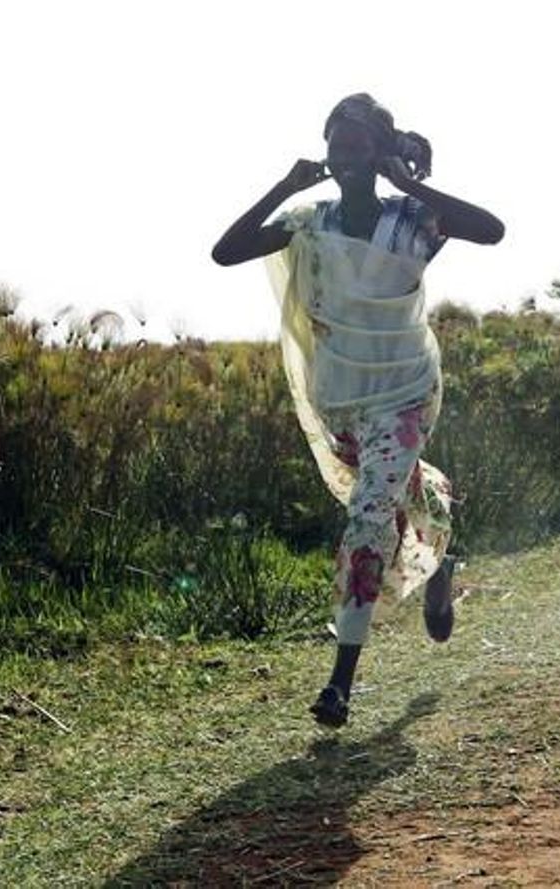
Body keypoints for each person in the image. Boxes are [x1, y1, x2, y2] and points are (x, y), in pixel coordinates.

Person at [212, 93, 504, 727]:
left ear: (379, 153)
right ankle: (440, 552)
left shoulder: (414, 220)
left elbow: (492, 229)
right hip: (342, 393)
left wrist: (409, 182)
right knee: (390, 496)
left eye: (358, 146)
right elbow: (225, 252)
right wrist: (281, 187)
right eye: (336, 145)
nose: (345, 157)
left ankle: (340, 681)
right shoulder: (310, 219)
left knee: (369, 512)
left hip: (405, 389)